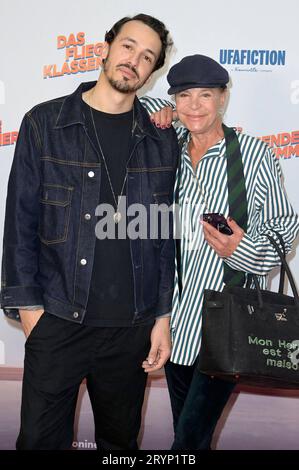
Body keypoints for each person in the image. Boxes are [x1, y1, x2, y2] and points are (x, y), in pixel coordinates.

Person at [0, 14, 179, 450]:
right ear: (105, 48)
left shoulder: (161, 140)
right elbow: (20, 221)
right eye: (128, 46)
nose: (134, 60)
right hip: (58, 319)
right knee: (40, 442)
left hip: (130, 329)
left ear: (151, 73)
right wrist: (29, 311)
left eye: (147, 57)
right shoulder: (45, 123)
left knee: (120, 446)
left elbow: (163, 237)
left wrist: (161, 317)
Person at [141, 54, 299, 449]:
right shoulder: (166, 147)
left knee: (189, 440)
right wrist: (163, 112)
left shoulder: (254, 155)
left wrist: (240, 248)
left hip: (227, 328)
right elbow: (127, 101)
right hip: (174, 323)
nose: (195, 105)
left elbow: (284, 232)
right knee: (187, 432)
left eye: (206, 95)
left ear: (224, 98)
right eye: (184, 96)